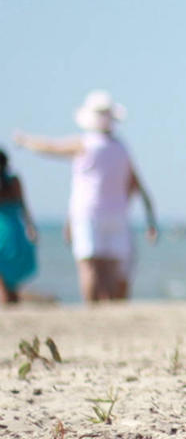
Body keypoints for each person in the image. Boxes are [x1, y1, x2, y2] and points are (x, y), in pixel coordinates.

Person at [15, 90, 157, 302]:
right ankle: (109, 313)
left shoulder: (85, 143)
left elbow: (51, 147)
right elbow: (137, 185)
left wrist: (26, 141)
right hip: (117, 215)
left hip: (87, 213)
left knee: (89, 266)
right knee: (110, 269)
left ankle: (92, 310)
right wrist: (150, 219)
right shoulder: (121, 148)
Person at [0, 149, 38, 304]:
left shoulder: (11, 181)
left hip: (5, 228)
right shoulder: (14, 181)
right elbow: (23, 205)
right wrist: (31, 227)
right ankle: (10, 301)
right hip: (14, 228)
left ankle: (5, 302)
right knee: (11, 272)